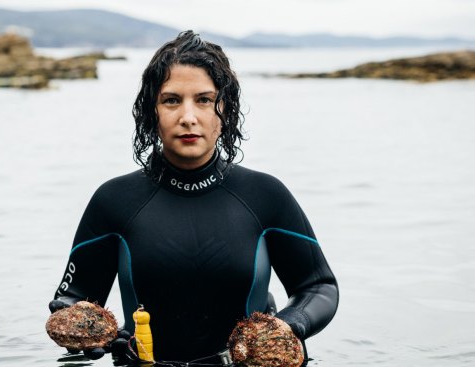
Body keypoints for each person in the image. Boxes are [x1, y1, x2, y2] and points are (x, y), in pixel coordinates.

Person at [48, 30, 338, 366]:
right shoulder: (114, 201)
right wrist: (75, 324)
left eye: (203, 99)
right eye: (171, 100)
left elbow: (319, 286)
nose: (188, 117)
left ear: (224, 111)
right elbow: (72, 296)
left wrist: (287, 327)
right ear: (151, 112)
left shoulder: (265, 196)